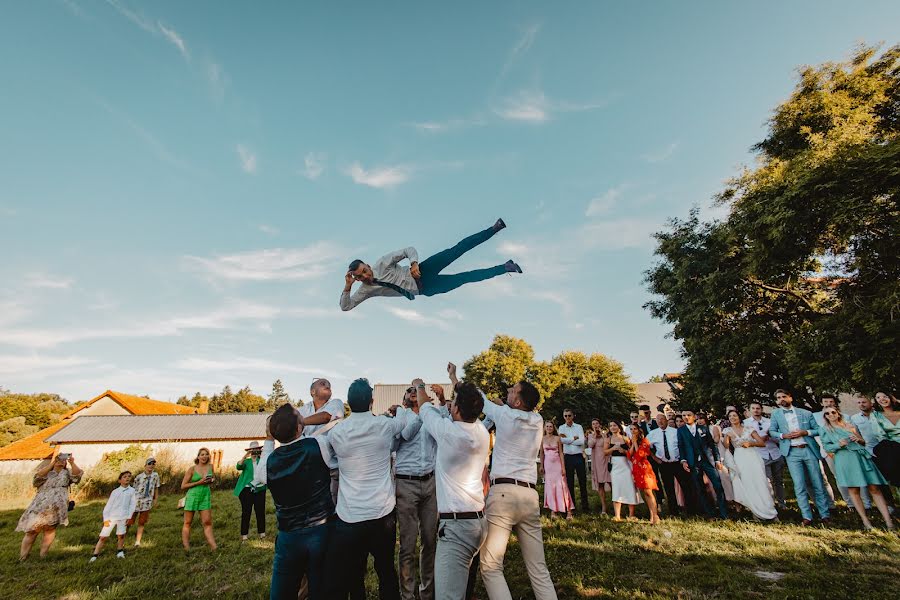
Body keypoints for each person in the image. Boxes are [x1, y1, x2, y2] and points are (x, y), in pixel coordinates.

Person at [473, 368, 559, 600]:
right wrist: (503, 405)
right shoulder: (538, 419)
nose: (508, 391)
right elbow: (508, 410)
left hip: (503, 494)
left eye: (512, 390)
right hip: (529, 495)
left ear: (518, 401)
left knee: (491, 565)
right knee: (539, 568)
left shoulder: (505, 415)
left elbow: (479, 398)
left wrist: (455, 378)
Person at [323, 378, 404, 600]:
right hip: (382, 514)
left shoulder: (337, 433)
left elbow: (327, 456)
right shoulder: (385, 425)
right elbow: (406, 422)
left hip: (350, 517)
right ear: (372, 401)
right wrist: (400, 410)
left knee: (353, 572)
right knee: (386, 570)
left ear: (348, 402)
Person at [415, 377, 490, 600]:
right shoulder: (480, 431)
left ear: (456, 409)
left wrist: (420, 385)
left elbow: (424, 408)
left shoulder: (449, 433)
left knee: (448, 596)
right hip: (478, 521)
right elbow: (458, 412)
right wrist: (445, 396)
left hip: (457, 527)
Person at [340, 219, 521, 311]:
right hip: (426, 288)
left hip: (423, 269)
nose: (365, 276)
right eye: (360, 276)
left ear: (368, 266)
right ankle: (505, 267)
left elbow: (408, 250)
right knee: (465, 278)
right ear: (356, 278)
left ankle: (493, 229)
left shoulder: (382, 263)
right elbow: (346, 306)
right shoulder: (365, 290)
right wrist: (348, 287)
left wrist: (413, 264)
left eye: (365, 271)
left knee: (457, 250)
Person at [257, 403, 336, 600]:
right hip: (322, 530)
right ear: (300, 428)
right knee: (322, 588)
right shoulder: (318, 445)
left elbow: (260, 474)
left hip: (289, 535)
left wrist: (268, 438)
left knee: (282, 592)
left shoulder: (267, 464)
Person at [392, 385, 441, 600]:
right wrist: (422, 413)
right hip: (406, 484)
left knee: (430, 541)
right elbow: (403, 437)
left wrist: (438, 400)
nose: (413, 391)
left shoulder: (433, 414)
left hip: (430, 482)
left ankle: (427, 592)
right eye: (409, 390)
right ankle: (408, 595)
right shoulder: (400, 415)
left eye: (416, 390)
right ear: (404, 398)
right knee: (408, 544)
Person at [819, 407, 895, 531]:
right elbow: (827, 447)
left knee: (874, 488)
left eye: (833, 412)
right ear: (825, 417)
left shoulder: (849, 425)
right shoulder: (825, 430)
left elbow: (863, 442)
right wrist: (839, 444)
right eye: (827, 413)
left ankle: (888, 521)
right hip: (845, 459)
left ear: (838, 413)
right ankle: (866, 521)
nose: (831, 415)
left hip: (861, 457)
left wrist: (858, 439)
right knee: (854, 490)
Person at [768, 389, 830, 526]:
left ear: (790, 397)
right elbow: (772, 431)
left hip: (808, 449)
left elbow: (819, 430)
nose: (781, 399)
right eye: (778, 398)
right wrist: (783, 436)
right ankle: (806, 516)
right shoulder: (776, 414)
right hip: (791, 452)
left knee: (817, 482)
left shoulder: (806, 413)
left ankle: (825, 514)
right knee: (799, 484)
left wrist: (805, 432)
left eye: (784, 396)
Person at [17, 449, 82, 560]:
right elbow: (37, 478)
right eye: (58, 459)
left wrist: (72, 462)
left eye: (62, 460)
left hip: (57, 505)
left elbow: (77, 476)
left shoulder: (66, 473)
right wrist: (52, 463)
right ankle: (23, 557)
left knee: (50, 529)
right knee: (32, 530)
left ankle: (43, 555)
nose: (60, 461)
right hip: (41, 504)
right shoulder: (46, 471)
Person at [813, 394, 870, 510]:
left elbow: (853, 433)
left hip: (851, 451)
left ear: (835, 403)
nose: (828, 403)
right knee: (839, 477)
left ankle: (866, 504)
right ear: (821, 403)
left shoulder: (846, 417)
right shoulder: (815, 417)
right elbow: (818, 436)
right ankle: (850, 504)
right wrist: (830, 450)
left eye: (831, 401)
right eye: (825, 401)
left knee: (859, 475)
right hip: (830, 452)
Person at [722, 410, 777, 521]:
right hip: (740, 458)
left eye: (735, 415)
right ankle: (755, 511)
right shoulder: (728, 431)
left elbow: (761, 443)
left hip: (753, 457)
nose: (733, 417)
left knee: (759, 481)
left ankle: (769, 510)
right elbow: (726, 446)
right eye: (730, 416)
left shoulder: (748, 429)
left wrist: (751, 443)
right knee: (747, 483)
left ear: (739, 417)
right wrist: (726, 437)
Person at [677, 410, 728, 519]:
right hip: (693, 463)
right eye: (684, 416)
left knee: (718, 486)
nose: (686, 417)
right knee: (700, 488)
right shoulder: (681, 431)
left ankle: (724, 513)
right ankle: (711, 514)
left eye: (689, 415)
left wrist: (717, 460)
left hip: (707, 461)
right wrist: (683, 461)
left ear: (694, 417)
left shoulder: (703, 428)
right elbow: (681, 446)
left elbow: (712, 445)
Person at [300, 378, 345, 503]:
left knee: (334, 504)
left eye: (329, 384)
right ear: (312, 391)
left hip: (332, 468)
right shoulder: (302, 409)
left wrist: (300, 422)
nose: (327, 385)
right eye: (322, 383)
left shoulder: (336, 403)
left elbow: (326, 416)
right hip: (309, 468)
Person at [647, 413, 692, 517]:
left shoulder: (675, 432)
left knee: (686, 486)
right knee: (668, 488)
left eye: (662, 419)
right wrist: (655, 458)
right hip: (664, 464)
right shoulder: (653, 434)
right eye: (658, 421)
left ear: (666, 420)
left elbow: (683, 445)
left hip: (677, 463)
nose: (660, 422)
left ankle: (690, 509)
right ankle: (673, 511)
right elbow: (645, 446)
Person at [744, 401, 787, 510]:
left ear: (761, 409)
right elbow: (746, 440)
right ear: (749, 410)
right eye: (753, 408)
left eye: (758, 408)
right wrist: (760, 439)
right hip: (760, 455)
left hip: (775, 453)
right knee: (767, 481)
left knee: (779, 480)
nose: (755, 410)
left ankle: (782, 503)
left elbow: (778, 438)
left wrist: (769, 437)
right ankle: (770, 504)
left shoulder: (770, 421)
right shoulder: (746, 423)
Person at [89, 471, 137, 562]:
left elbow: (132, 505)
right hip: (112, 517)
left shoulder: (132, 491)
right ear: (119, 480)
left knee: (121, 535)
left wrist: (129, 517)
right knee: (103, 536)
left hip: (124, 517)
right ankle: (95, 555)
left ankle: (120, 551)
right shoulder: (115, 492)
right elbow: (108, 506)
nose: (127, 478)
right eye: (124, 477)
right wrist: (106, 519)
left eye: (129, 476)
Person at [181, 447, 217, 550]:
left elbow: (213, 478)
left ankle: (214, 546)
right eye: (202, 454)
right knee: (188, 522)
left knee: (207, 522)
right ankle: (186, 547)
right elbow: (183, 486)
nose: (204, 456)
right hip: (192, 496)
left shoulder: (211, 466)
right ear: (198, 456)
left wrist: (211, 481)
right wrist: (199, 482)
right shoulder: (192, 469)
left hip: (205, 496)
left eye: (206, 454)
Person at [605, 421, 639, 520]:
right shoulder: (608, 439)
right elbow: (604, 452)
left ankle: (631, 514)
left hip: (625, 464)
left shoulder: (625, 438)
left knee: (629, 487)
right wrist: (612, 449)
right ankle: (617, 515)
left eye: (614, 425)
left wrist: (624, 451)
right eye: (610, 426)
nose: (612, 427)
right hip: (615, 465)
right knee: (616, 488)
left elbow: (631, 452)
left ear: (619, 427)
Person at [539, 421, 573, 519]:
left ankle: (569, 511)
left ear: (553, 428)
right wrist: (541, 465)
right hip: (548, 465)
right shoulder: (542, 439)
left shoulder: (558, 438)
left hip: (557, 464)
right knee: (550, 487)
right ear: (544, 428)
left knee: (562, 486)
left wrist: (563, 467)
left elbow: (561, 453)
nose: (549, 428)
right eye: (547, 426)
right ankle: (553, 510)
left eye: (551, 426)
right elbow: (541, 453)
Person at [234, 441, 267, 542]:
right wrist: (246, 455)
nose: (255, 451)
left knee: (260, 511)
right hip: (247, 490)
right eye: (253, 450)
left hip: (260, 489)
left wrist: (262, 455)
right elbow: (238, 466)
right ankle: (244, 536)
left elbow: (267, 467)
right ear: (250, 450)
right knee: (246, 512)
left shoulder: (261, 460)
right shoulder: (247, 462)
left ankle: (262, 534)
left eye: (257, 449)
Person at [627, 425, 660, 524]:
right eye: (631, 429)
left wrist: (636, 444)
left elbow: (640, 454)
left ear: (639, 430)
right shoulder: (631, 441)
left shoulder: (645, 441)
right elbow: (629, 455)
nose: (633, 431)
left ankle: (655, 515)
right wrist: (632, 443)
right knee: (645, 492)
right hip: (636, 468)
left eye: (635, 429)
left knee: (649, 491)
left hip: (644, 468)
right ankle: (651, 514)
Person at [558, 409, 589, 513]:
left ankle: (585, 507)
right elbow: (561, 441)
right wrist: (573, 439)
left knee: (582, 482)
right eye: (565, 416)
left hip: (578, 456)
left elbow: (581, 441)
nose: (567, 418)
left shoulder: (578, 427)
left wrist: (568, 440)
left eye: (569, 415)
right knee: (569, 482)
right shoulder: (561, 427)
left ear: (573, 416)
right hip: (568, 457)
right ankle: (572, 506)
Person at [128, 457, 160, 547]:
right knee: (129, 521)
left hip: (147, 502)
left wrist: (155, 499)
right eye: (149, 464)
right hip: (136, 501)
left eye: (153, 464)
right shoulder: (139, 477)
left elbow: (156, 488)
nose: (151, 466)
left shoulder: (156, 476)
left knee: (142, 522)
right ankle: (122, 539)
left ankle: (137, 542)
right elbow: (133, 489)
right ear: (145, 466)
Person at [871, 391, 900, 486]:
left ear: (891, 397)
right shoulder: (875, 415)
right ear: (876, 401)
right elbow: (880, 435)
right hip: (892, 449)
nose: (882, 399)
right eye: (878, 397)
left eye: (885, 396)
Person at [708, 416, 735, 505]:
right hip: (708, 457)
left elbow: (716, 439)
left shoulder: (713, 428)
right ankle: (719, 501)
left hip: (720, 454)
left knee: (725, 477)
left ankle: (732, 499)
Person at [587, 419, 611, 515]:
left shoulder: (605, 435)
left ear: (600, 424)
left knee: (611, 482)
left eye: (597, 423)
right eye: (593, 424)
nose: (595, 425)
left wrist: (602, 435)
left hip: (606, 460)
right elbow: (590, 445)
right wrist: (594, 436)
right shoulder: (590, 436)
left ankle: (616, 503)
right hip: (597, 462)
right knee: (600, 484)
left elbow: (608, 444)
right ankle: (604, 506)